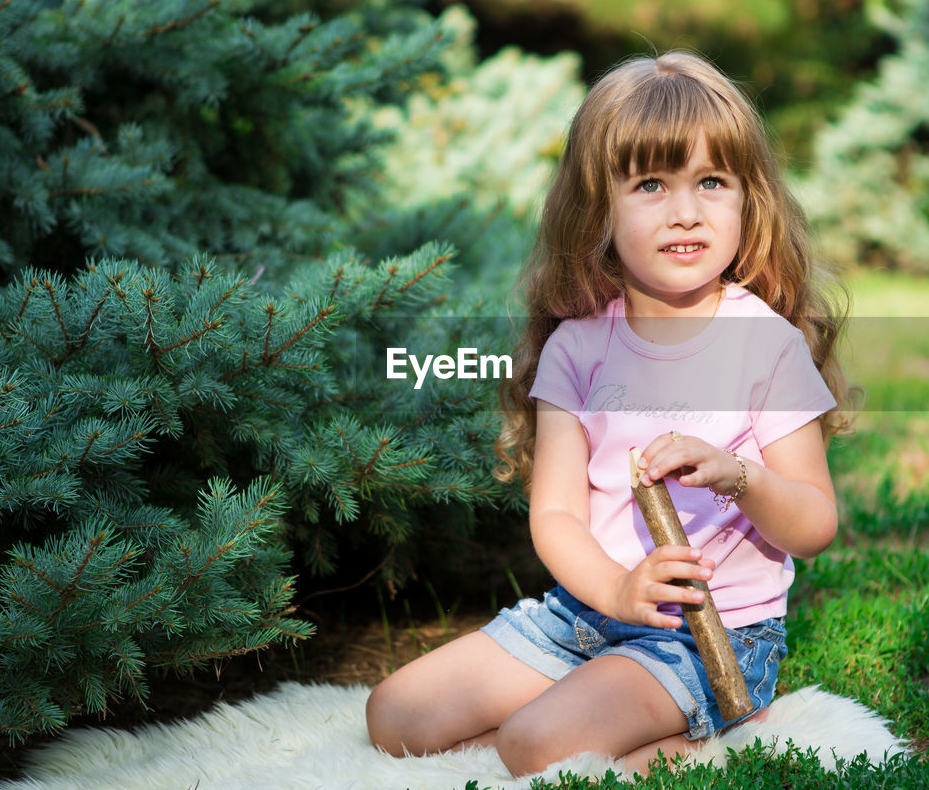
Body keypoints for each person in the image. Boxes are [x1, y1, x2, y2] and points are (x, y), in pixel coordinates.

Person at [365, 50, 855, 777]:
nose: (686, 210)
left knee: (531, 744)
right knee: (393, 717)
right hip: (586, 615)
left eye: (712, 181)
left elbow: (815, 523)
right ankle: (590, 709)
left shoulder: (765, 346)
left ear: (748, 199)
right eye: (651, 183)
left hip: (709, 635)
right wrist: (615, 591)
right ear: (599, 208)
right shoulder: (578, 347)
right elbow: (557, 515)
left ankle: (701, 734)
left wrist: (739, 476)